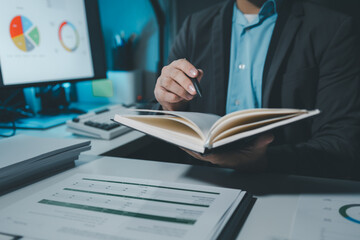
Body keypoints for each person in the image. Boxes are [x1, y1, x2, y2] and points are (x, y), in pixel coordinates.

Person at [154, 0, 360, 179]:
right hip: (204, 180)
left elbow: (342, 144)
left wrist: (264, 162)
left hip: (287, 185)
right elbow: (173, 115)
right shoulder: (194, 27)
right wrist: (170, 104)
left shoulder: (331, 29)